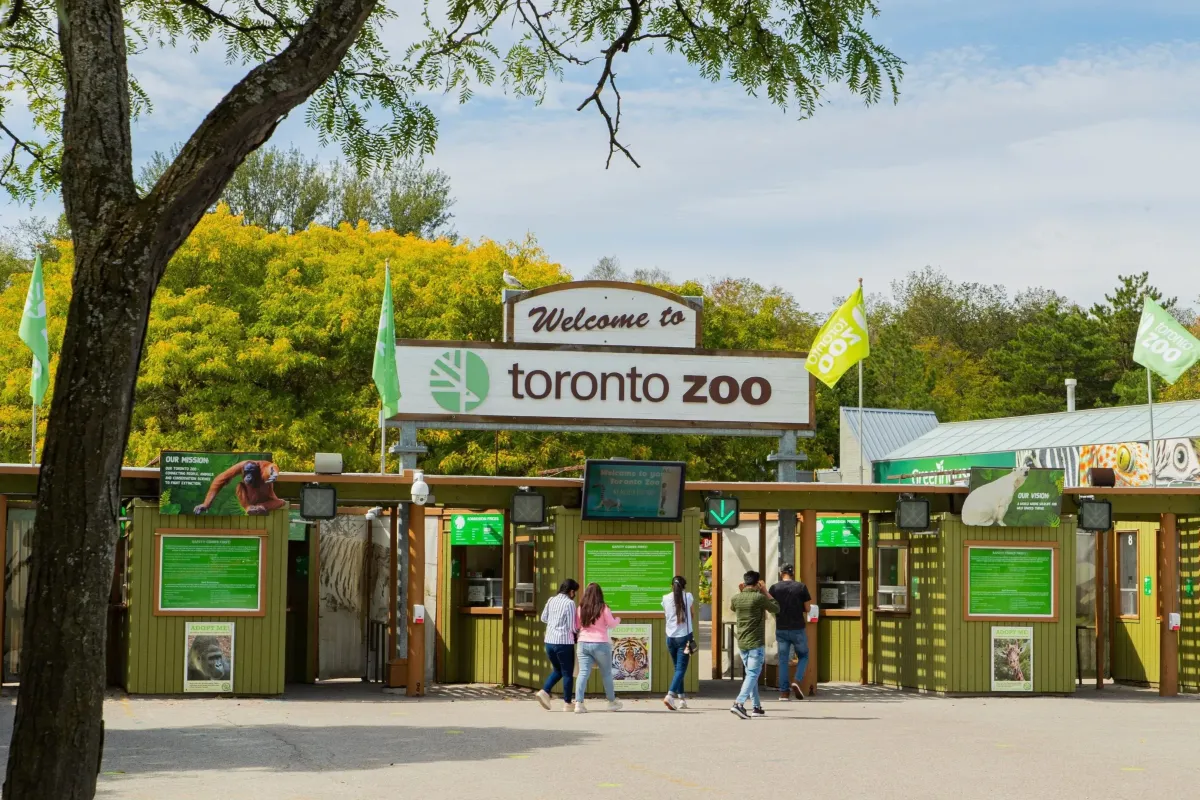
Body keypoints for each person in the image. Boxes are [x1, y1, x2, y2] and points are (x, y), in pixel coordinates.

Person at [729, 570, 779, 720]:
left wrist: (742, 591)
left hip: (742, 642)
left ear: (744, 583)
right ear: (757, 583)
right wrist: (765, 591)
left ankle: (756, 707)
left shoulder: (736, 598)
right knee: (752, 674)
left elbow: (735, 607)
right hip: (755, 643)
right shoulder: (759, 598)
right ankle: (739, 703)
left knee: (752, 675)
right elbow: (776, 608)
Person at [573, 583, 624, 713]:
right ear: (599, 594)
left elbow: (578, 625)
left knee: (583, 673)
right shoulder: (603, 607)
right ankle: (611, 702)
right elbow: (612, 624)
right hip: (600, 643)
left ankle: (579, 703)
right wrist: (618, 619)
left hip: (583, 643)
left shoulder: (581, 608)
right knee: (606, 673)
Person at [535, 579, 580, 712]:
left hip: (549, 641)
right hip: (564, 642)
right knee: (567, 672)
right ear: (571, 591)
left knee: (557, 670)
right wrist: (579, 632)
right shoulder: (570, 603)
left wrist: (554, 622)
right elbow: (572, 626)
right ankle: (567, 703)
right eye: (575, 592)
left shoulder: (551, 600)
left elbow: (543, 618)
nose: (574, 595)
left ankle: (545, 691)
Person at [770, 564, 812, 701]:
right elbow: (807, 608)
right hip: (797, 628)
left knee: (783, 660)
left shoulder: (774, 588)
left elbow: (771, 607)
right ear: (793, 573)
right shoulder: (801, 587)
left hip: (781, 628)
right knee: (804, 655)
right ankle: (796, 681)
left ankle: (784, 693)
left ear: (781, 573)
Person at [193, 460, 286, 515]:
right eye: (247, 473)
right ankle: (248, 507)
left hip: (265, 499)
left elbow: (270, 467)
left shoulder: (262, 468)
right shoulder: (242, 465)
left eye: (251, 473)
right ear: (243, 471)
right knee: (239, 486)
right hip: (250, 498)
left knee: (281, 502)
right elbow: (219, 480)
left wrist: (274, 473)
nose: (248, 477)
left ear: (257, 471)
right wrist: (206, 504)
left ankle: (261, 507)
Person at [661, 575, 695, 710]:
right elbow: (692, 615)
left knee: (677, 669)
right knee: (681, 669)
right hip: (684, 638)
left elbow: (666, 614)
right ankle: (670, 695)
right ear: (684, 586)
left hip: (670, 638)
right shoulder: (688, 597)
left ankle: (681, 700)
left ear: (671, 586)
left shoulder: (665, 598)